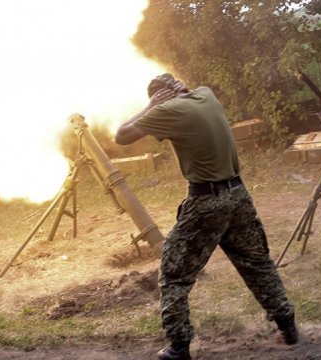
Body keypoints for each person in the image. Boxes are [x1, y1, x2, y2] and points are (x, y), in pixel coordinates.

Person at [115, 73, 298, 360]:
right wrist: (178, 91)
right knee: (257, 264)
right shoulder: (206, 94)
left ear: (160, 96)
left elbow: (122, 136)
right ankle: (288, 326)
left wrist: (150, 106)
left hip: (206, 202)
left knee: (174, 274)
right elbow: (190, 94)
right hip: (238, 196)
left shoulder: (167, 110)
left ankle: (178, 346)